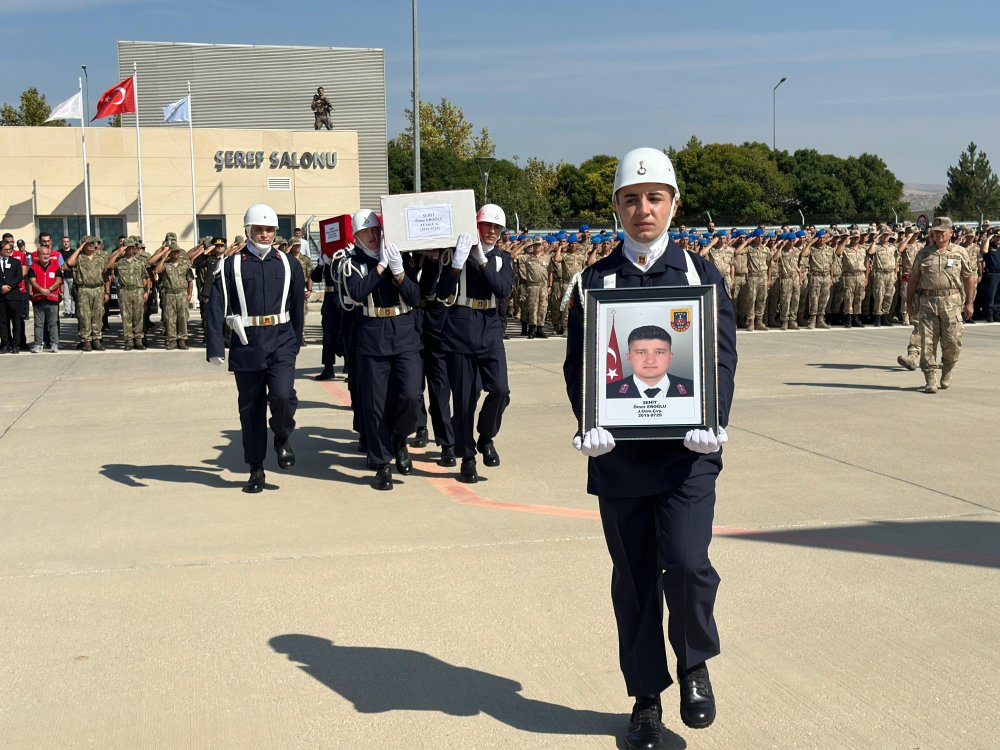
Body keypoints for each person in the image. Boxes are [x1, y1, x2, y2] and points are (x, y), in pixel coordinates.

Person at [563, 148, 737, 749]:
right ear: (616, 206)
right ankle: (645, 698)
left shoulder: (700, 277)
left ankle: (693, 664)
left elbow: (720, 358)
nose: (644, 209)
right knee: (634, 580)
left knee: (687, 564)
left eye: (655, 197)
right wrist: (589, 422)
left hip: (688, 454)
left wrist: (716, 420)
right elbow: (578, 365)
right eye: (632, 198)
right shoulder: (595, 280)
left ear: (673, 205)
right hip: (622, 459)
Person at [205, 203, 305, 493]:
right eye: (259, 229)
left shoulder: (289, 263)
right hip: (247, 342)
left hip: (282, 338)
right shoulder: (230, 265)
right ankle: (256, 468)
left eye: (269, 229)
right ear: (247, 230)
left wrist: (295, 342)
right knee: (250, 410)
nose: (264, 234)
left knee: (283, 396)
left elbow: (298, 306)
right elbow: (216, 306)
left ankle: (282, 436)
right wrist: (215, 347)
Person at [343, 209, 423, 490]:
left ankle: (400, 439)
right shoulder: (352, 263)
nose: (374, 236)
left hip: (403, 332)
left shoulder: (399, 256)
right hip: (372, 334)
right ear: (357, 237)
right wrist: (380, 267)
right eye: (367, 233)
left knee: (411, 395)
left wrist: (399, 272)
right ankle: (381, 464)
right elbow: (356, 291)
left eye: (376, 231)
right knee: (375, 405)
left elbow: (415, 298)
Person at [435, 204, 513, 484]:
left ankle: (486, 436)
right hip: (460, 322)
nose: (491, 231)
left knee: (500, 390)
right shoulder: (455, 255)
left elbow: (502, 290)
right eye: (486, 226)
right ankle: (467, 458)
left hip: (489, 324)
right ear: (475, 227)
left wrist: (482, 261)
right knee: (465, 398)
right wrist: (456, 266)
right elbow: (441, 292)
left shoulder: (503, 259)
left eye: (496, 228)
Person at [905, 216, 976, 393]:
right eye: (935, 233)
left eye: (942, 232)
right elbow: (913, 279)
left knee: (952, 341)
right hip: (927, 302)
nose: (939, 236)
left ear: (950, 232)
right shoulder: (923, 254)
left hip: (952, 302)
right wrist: (909, 302)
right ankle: (930, 378)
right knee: (927, 341)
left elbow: (968, 278)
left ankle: (948, 369)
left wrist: (969, 303)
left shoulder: (960, 252)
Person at [606, 325, 694, 398]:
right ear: (629, 357)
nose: (650, 360)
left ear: (670, 357)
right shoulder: (607, 392)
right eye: (641, 352)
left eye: (659, 352)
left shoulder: (694, 389)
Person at [65, 236, 109, 351]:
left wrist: (107, 292)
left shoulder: (100, 258)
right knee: (84, 316)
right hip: (84, 289)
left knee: (98, 315)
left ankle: (97, 340)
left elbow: (105, 275)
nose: (91, 245)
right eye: (88, 243)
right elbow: (68, 263)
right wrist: (79, 249)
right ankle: (86, 341)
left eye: (92, 243)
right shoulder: (79, 258)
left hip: (98, 289)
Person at [151, 240, 193, 350]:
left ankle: (182, 340)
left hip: (182, 293)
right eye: (174, 252)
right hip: (169, 294)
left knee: (183, 318)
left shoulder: (185, 264)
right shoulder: (166, 264)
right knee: (170, 319)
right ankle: (172, 340)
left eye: (178, 252)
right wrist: (164, 256)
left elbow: (190, 280)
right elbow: (157, 270)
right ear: (170, 253)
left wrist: (189, 294)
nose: (176, 254)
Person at [26, 239, 63, 352]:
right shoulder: (33, 267)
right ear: (38, 255)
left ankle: (54, 344)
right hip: (38, 298)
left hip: (52, 298)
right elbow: (32, 280)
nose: (46, 256)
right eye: (43, 254)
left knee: (53, 323)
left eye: (47, 254)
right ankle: (38, 344)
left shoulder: (56, 266)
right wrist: (41, 290)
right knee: (39, 324)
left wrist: (49, 289)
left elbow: (59, 280)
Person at [0, 238, 25, 353]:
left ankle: (16, 344)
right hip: (1, 297)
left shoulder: (15, 262)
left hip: (14, 296)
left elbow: (19, 276)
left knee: (16, 321)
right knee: (3, 321)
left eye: (10, 249)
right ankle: (5, 344)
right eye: (6, 249)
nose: (9, 251)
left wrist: (8, 286)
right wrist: (1, 287)